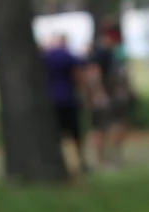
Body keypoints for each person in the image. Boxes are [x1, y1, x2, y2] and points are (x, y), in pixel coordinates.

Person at [40, 30, 89, 174]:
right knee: (75, 133)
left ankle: (56, 161)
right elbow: (82, 65)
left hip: (50, 100)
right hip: (68, 99)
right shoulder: (66, 55)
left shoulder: (44, 56)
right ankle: (81, 161)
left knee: (55, 133)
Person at [90, 21, 135, 167]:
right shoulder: (101, 53)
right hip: (106, 96)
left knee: (117, 125)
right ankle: (102, 158)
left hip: (115, 95)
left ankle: (112, 156)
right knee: (102, 128)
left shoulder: (114, 52)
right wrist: (99, 94)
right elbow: (95, 74)